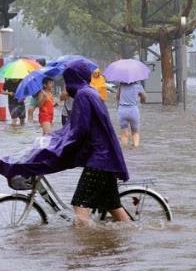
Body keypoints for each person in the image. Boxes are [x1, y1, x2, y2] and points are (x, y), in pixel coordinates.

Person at [0, 60, 130, 226]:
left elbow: (78, 131)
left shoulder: (83, 95)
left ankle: (84, 249)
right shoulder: (90, 92)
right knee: (113, 206)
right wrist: (55, 138)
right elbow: (78, 128)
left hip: (99, 159)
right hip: (106, 157)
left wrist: (55, 145)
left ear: (72, 79)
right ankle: (131, 234)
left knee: (80, 208)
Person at [117, 81, 146, 147]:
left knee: (124, 134)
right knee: (135, 132)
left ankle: (125, 152)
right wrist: (142, 100)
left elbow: (117, 97)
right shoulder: (138, 85)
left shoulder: (121, 85)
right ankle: (135, 149)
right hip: (133, 110)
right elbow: (144, 97)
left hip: (122, 110)